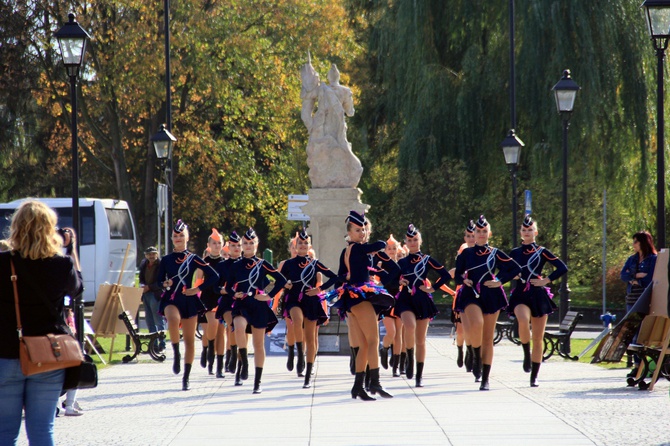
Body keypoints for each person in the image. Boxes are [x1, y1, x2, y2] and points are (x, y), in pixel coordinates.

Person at [0, 201, 83, 445]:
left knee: (5, 433)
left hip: (6, 353)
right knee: (42, 431)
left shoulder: (2, 263)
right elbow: (78, 289)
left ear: (16, 228)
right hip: (48, 355)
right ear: (50, 229)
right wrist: (72, 249)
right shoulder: (61, 265)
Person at [327, 210, 395, 400]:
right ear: (349, 232)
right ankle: (375, 383)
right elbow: (381, 244)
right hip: (359, 298)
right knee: (373, 341)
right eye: (358, 230)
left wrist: (374, 271)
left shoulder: (347, 251)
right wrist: (375, 252)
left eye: (364, 229)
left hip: (352, 300)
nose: (362, 233)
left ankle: (358, 386)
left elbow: (339, 277)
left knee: (365, 344)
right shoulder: (357, 248)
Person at [454, 215, 520, 390]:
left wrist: (499, 280)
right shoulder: (466, 253)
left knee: (488, 338)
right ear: (473, 233)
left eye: (484, 231)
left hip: (491, 294)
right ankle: (475, 356)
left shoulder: (495, 253)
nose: (481, 234)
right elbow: (456, 274)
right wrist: (463, 280)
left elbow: (515, 268)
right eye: (478, 231)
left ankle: (485, 378)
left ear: (489, 233)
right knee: (476, 323)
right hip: (471, 293)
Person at [156, 220, 219, 391]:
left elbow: (214, 276)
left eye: (181, 235)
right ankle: (175, 352)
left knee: (190, 341)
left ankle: (186, 377)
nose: (178, 238)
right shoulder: (166, 260)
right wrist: (164, 283)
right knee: (173, 318)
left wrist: (197, 289)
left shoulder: (194, 259)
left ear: (187, 237)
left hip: (188, 299)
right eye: (175, 236)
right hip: (171, 298)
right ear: (171, 238)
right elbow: (158, 280)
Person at [226, 228, 287, 393]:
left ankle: (257, 382)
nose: (248, 245)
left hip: (258, 306)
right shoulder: (236, 265)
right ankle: (244, 362)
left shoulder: (262, 263)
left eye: (251, 243)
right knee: (238, 327)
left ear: (256, 244)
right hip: (242, 304)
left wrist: (268, 296)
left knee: (258, 344)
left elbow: (280, 281)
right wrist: (234, 293)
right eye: (245, 243)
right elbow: (228, 286)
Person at [509, 215, 567, 387]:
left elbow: (562, 267)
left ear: (536, 232)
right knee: (522, 319)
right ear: (520, 233)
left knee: (538, 338)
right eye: (524, 230)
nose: (527, 232)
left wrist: (546, 280)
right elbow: (505, 269)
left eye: (530, 230)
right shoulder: (514, 252)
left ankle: (534, 376)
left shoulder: (542, 251)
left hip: (538, 293)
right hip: (520, 293)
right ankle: (526, 352)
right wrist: (513, 274)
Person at [280, 229, 338, 388]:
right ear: (295, 245)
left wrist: (319, 290)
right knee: (297, 320)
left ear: (310, 245)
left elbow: (334, 276)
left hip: (311, 300)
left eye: (306, 243)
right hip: (293, 299)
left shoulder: (315, 263)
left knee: (311, 338)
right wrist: (285, 283)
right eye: (300, 243)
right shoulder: (288, 264)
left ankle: (308, 374)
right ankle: (299, 354)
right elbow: (277, 278)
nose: (303, 245)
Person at [396, 224, 452, 387]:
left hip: (422, 299)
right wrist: (399, 281)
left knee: (420, 340)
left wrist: (432, 288)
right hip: (406, 298)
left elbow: (445, 275)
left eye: (415, 240)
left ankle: (419, 375)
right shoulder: (402, 262)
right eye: (409, 240)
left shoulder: (427, 260)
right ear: (405, 242)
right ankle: (408, 359)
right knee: (409, 326)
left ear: (420, 241)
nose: (412, 243)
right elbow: (390, 278)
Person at [620, 230, 657, 378]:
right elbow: (623, 275)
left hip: (644, 299)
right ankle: (636, 366)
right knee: (633, 331)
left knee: (643, 332)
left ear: (643, 242)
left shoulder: (653, 259)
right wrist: (636, 276)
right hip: (631, 299)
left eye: (636, 241)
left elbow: (651, 279)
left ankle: (643, 366)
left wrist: (637, 280)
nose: (633, 244)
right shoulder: (632, 259)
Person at [214, 231, 242, 377]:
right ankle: (221, 364)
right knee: (230, 326)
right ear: (228, 247)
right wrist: (225, 291)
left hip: (244, 302)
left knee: (241, 332)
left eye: (238, 245)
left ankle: (236, 360)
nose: (236, 248)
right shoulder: (222, 265)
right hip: (227, 302)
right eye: (233, 245)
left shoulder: (248, 264)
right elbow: (215, 287)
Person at [198, 229, 226, 375]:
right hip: (206, 299)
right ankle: (207, 349)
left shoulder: (225, 263)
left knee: (220, 333)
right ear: (209, 245)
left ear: (223, 244)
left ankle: (219, 367)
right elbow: (197, 281)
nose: (216, 245)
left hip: (221, 299)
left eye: (219, 243)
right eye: (214, 243)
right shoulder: (203, 263)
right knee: (210, 328)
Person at [449, 221, 476, 372]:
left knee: (474, 328)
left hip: (477, 294)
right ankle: (461, 349)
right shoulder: (462, 253)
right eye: (468, 236)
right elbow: (451, 274)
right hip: (461, 295)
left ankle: (471, 352)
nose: (471, 238)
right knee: (461, 330)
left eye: (473, 235)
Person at [374, 235, 402, 375]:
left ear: (398, 250)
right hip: (386, 300)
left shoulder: (402, 264)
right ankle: (384, 349)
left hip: (401, 300)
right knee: (392, 332)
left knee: (399, 335)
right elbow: (376, 280)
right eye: (388, 248)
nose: (391, 250)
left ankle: (396, 367)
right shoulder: (382, 264)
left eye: (393, 248)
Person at [139, 246, 165, 341]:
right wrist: (142, 285)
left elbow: (163, 282)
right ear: (146, 256)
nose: (151, 256)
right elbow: (141, 277)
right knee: (149, 320)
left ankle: (162, 343)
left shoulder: (161, 265)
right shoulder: (144, 264)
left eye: (153, 254)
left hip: (156, 294)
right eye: (149, 254)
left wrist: (149, 287)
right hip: (146, 294)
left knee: (158, 320)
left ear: (157, 254)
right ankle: (153, 344)